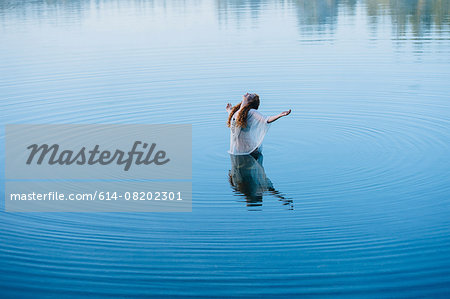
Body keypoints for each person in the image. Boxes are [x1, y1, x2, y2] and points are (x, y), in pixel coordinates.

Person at [226, 93, 291, 156]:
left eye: (250, 95)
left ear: (251, 101)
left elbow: (266, 120)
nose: (248, 93)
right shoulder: (238, 111)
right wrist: (229, 110)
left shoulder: (252, 112)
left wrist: (280, 115)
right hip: (241, 150)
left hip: (249, 150)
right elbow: (235, 120)